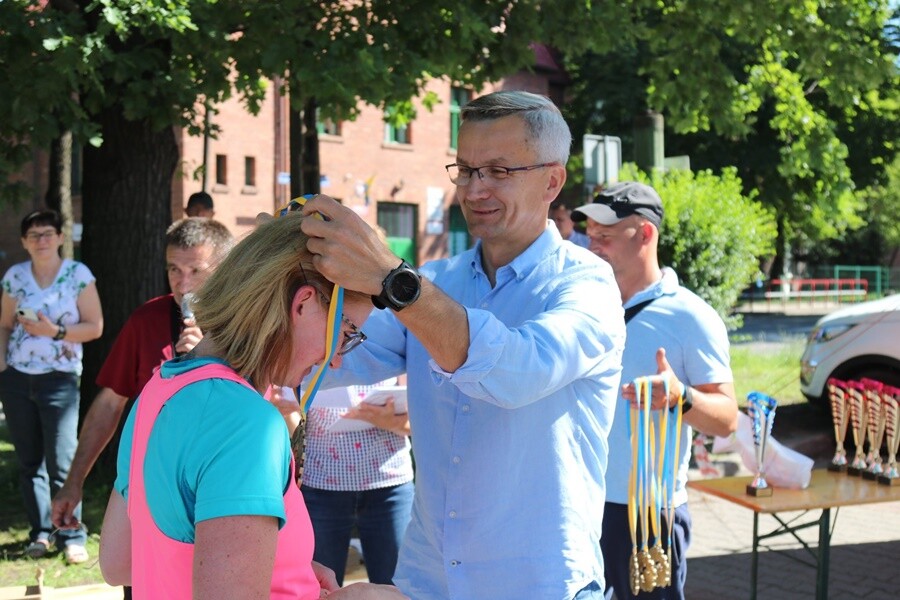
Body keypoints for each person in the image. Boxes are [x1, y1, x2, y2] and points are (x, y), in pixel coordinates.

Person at [299, 90, 626, 599]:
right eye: (466, 170)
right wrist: (283, 285)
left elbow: (514, 372)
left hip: (541, 588)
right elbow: (329, 362)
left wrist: (391, 279)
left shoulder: (588, 286)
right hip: (432, 583)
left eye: (498, 171)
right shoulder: (437, 282)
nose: (475, 190)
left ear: (552, 180)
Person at [98, 212, 407, 600]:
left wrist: (280, 562)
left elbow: (119, 563)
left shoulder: (159, 388)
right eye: (346, 334)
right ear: (304, 304)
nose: (337, 360)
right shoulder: (246, 422)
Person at [571, 181, 739, 600]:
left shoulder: (691, 316)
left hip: (645, 516)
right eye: (590, 236)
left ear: (645, 234)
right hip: (575, 501)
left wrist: (680, 397)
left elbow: (727, 419)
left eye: (605, 237)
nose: (593, 246)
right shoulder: (582, 305)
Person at [51, 218, 234, 541]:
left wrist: (209, 360)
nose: (183, 284)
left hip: (220, 493)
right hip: (149, 492)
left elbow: (263, 409)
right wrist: (74, 480)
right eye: (174, 270)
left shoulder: (244, 325)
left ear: (222, 269)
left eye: (195, 270)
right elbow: (109, 404)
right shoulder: (146, 320)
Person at [0, 208, 104, 564]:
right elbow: (3, 325)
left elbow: (94, 327)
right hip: (16, 379)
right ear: (24, 243)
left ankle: (72, 533)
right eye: (34, 235)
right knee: (29, 462)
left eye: (48, 233)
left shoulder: (77, 275)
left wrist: (54, 331)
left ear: (61, 237)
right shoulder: (15, 276)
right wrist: (2, 365)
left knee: (62, 460)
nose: (41, 240)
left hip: (59, 379)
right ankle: (41, 532)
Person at [301, 377, 413, 585]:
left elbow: (424, 423)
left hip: (390, 485)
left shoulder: (400, 344)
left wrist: (394, 422)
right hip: (321, 485)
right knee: (320, 587)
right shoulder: (317, 349)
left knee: (398, 586)